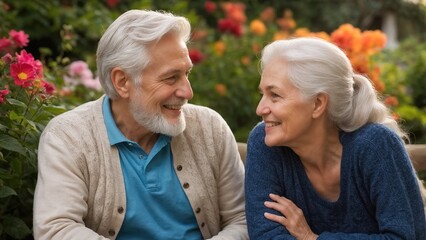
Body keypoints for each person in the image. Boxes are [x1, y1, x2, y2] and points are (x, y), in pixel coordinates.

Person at [33, 9, 248, 240]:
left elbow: (242, 220)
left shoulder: (210, 128)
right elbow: (55, 229)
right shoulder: (67, 137)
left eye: (187, 73)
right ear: (122, 82)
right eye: (170, 77)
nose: (188, 91)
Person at [245, 37, 426, 239]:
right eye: (262, 94)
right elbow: (265, 235)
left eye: (275, 95)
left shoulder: (376, 146)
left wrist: (312, 238)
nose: (260, 108)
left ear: (318, 104)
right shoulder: (264, 141)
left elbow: (404, 237)